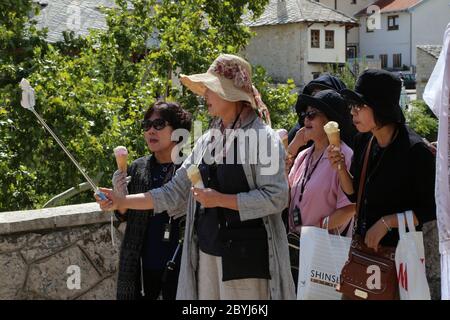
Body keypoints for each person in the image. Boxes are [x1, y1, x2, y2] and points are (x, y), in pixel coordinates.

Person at [96, 54, 296, 300]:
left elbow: (277, 197)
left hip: (248, 261)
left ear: (229, 93)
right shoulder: (208, 140)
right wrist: (122, 202)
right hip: (208, 254)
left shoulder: (263, 138)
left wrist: (221, 199)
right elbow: (174, 191)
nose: (204, 95)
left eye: (210, 89)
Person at [328, 69, 436, 298]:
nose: (353, 113)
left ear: (380, 107)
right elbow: (354, 195)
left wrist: (388, 222)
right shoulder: (364, 140)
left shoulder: (415, 150)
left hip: (400, 262)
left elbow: (430, 210)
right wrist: (339, 167)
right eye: (351, 106)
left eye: (359, 106)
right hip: (364, 258)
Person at [112, 101, 192, 300]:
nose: (150, 131)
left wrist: (122, 200)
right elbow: (123, 215)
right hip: (141, 266)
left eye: (158, 125)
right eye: (146, 125)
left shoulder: (190, 168)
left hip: (182, 263)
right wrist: (117, 197)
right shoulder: (138, 168)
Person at [286, 90, 356, 288]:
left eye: (312, 114)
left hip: (324, 252)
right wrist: (292, 147)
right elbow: (286, 198)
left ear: (330, 121)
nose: (305, 119)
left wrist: (316, 231)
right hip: (296, 250)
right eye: (304, 115)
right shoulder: (303, 156)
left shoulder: (344, 156)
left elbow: (351, 207)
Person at [287, 74, 347, 144]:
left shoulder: (354, 138)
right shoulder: (299, 133)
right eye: (314, 94)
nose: (318, 99)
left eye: (325, 94)